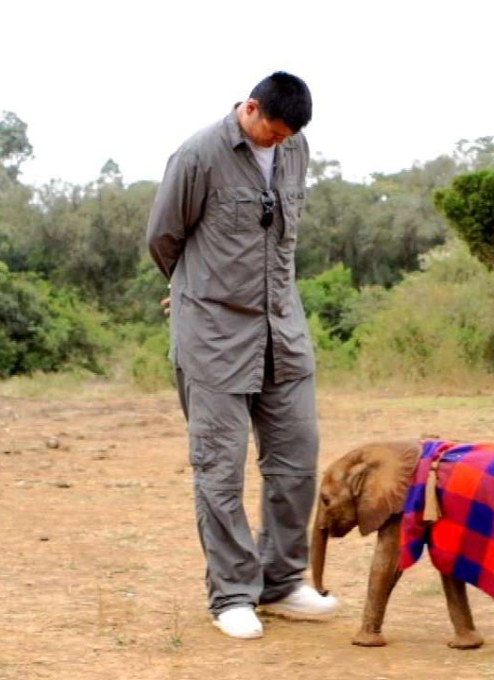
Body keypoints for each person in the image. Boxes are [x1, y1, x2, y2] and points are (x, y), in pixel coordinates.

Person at [146, 71, 338, 640]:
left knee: (296, 459)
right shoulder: (197, 156)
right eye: (271, 131)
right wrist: (188, 288)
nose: (278, 142)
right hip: (213, 336)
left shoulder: (295, 148)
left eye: (287, 136)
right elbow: (164, 238)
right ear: (249, 108)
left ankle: (280, 583)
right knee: (219, 470)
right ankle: (232, 594)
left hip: (283, 328)